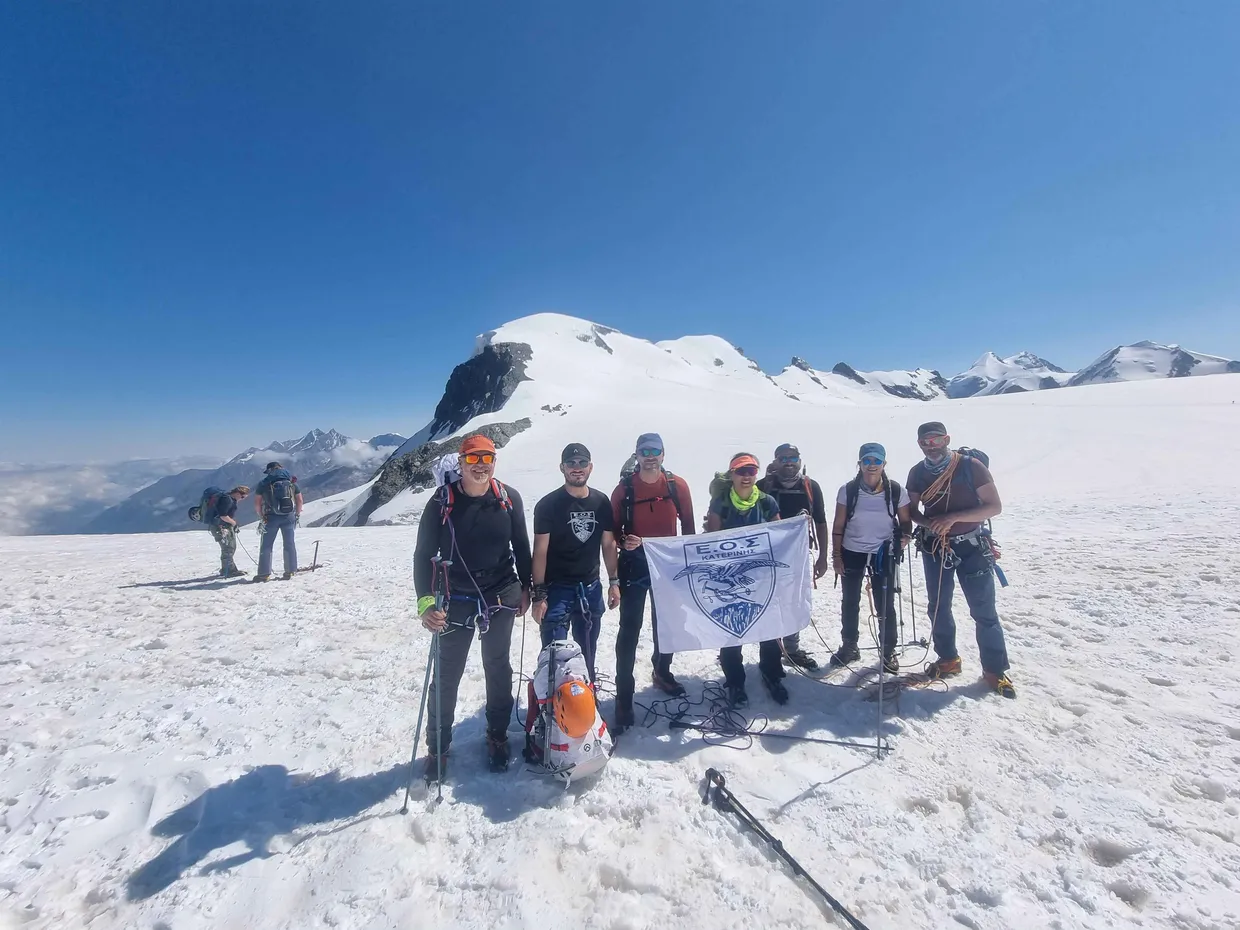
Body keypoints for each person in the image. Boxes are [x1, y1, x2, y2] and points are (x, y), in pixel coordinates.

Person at [415, 434, 532, 775]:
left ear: (494, 462)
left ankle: (497, 734)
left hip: (501, 592)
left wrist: (527, 588)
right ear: (461, 462)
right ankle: (438, 747)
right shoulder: (441, 502)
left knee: (498, 667)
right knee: (447, 673)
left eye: (486, 459)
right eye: (472, 459)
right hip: (454, 598)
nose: (480, 466)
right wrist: (425, 604)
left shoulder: (508, 499)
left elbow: (521, 547)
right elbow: (423, 555)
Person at [906, 422, 1015, 698]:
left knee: (983, 611)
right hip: (936, 546)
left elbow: (994, 506)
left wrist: (952, 518)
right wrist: (930, 524)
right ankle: (948, 659)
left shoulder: (971, 467)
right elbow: (912, 511)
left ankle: (994, 670)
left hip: (972, 547)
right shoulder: (917, 473)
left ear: (947, 439)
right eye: (925, 442)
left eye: (936, 440)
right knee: (938, 606)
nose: (931, 446)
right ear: (919, 444)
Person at [610, 432, 696, 730]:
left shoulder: (676, 486)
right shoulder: (624, 490)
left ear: (663, 454)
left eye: (654, 451)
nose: (650, 456)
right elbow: (613, 531)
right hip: (634, 565)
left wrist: (688, 561)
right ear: (636, 454)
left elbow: (688, 527)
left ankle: (662, 671)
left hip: (667, 563)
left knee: (667, 623)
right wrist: (624, 541)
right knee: (629, 628)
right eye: (644, 451)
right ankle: (624, 694)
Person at [531, 442, 621, 683]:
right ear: (562, 467)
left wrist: (614, 582)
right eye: (571, 463)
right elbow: (540, 551)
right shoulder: (548, 505)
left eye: (582, 462)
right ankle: (552, 701)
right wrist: (539, 595)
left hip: (590, 588)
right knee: (555, 657)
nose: (577, 467)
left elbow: (608, 544)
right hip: (556, 590)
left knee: (588, 653)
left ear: (590, 467)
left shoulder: (601, 502)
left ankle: (587, 695)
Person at [706, 452, 787, 707]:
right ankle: (735, 681)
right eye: (741, 471)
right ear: (732, 475)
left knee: (769, 626)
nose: (747, 476)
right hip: (731, 579)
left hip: (761, 577)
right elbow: (712, 539)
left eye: (751, 471)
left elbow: (780, 535)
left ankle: (772, 673)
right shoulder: (721, 503)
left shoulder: (766, 502)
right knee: (732, 627)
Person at [828, 443, 911, 673]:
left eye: (876, 461)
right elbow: (838, 525)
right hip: (852, 551)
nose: (871, 465)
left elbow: (906, 521)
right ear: (860, 464)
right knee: (850, 601)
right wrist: (836, 556)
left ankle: (888, 650)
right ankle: (849, 646)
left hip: (883, 553)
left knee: (885, 604)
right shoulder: (848, 490)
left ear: (884, 463)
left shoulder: (896, 491)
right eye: (867, 460)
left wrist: (904, 537)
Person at [757, 442, 830, 671]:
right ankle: (771, 652)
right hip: (766, 556)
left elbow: (820, 521)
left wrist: (823, 556)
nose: (788, 462)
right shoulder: (762, 487)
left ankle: (791, 649)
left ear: (799, 460)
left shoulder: (810, 486)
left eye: (793, 458)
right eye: (783, 458)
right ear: (775, 461)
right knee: (769, 602)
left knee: (794, 601)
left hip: (798, 556)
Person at [253, 462, 302, 581]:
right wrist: (297, 514)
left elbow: (257, 503)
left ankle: (264, 574)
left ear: (269, 470)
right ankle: (290, 571)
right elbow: (299, 500)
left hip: (270, 517)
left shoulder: (264, 483)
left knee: (266, 545)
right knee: (289, 543)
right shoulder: (291, 482)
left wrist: (262, 516)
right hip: (289, 516)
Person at [208, 486, 251, 578]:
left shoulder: (228, 498)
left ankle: (229, 569)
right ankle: (228, 570)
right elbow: (223, 515)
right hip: (221, 527)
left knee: (229, 548)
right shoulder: (227, 500)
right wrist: (233, 523)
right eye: (242, 497)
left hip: (222, 526)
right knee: (228, 548)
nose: (242, 499)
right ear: (238, 493)